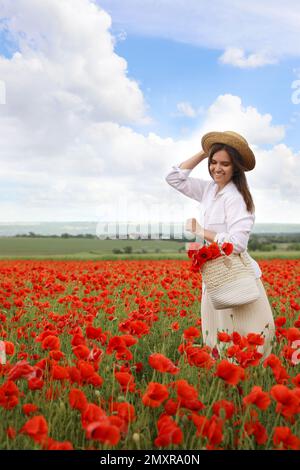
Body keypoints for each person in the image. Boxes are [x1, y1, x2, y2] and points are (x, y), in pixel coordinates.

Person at [165, 130, 276, 361]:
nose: (217, 168)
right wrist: (205, 151)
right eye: (213, 162)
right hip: (214, 275)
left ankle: (253, 385)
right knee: (218, 339)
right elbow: (174, 178)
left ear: (235, 167)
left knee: (250, 338)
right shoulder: (209, 190)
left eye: (225, 163)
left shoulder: (235, 197)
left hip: (236, 275)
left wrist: (201, 232)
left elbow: (237, 244)